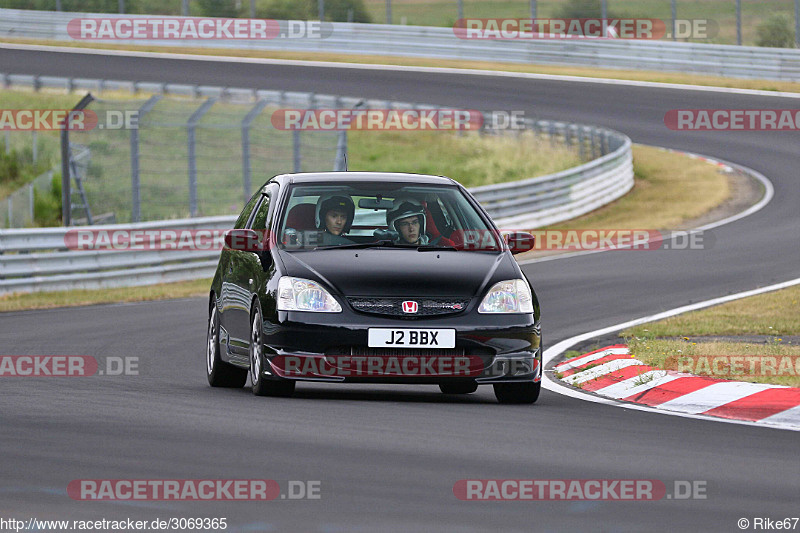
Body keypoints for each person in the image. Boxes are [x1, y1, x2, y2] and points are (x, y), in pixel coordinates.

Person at [385, 197, 455, 246]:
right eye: (404, 224)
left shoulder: (439, 248)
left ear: (421, 224)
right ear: (395, 228)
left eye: (415, 222)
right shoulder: (387, 252)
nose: (411, 229)